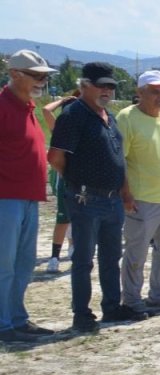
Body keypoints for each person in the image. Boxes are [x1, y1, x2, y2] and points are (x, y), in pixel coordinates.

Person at [48, 62, 143, 332]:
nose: (107, 91)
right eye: (101, 85)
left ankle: (112, 307)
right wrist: (78, 181)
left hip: (113, 200)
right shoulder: (73, 115)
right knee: (83, 260)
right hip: (86, 199)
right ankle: (82, 314)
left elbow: (118, 160)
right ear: (84, 86)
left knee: (111, 257)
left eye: (111, 86)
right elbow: (55, 157)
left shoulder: (108, 117)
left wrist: (125, 193)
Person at [116, 70, 160, 316]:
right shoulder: (126, 118)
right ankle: (132, 300)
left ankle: (159, 296)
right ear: (139, 93)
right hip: (141, 198)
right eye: (155, 92)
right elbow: (120, 160)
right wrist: (125, 194)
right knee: (137, 252)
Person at [0, 49, 56, 343]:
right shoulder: (2, 107)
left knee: (23, 264)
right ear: (14, 75)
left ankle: (16, 318)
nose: (42, 81)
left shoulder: (28, 107)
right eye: (36, 75)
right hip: (5, 198)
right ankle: (3, 323)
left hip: (29, 198)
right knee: (4, 265)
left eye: (45, 76)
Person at [41, 93, 78, 274]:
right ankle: (54, 257)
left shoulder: (83, 128)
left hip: (80, 181)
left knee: (77, 217)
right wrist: (62, 101)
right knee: (63, 218)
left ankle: (73, 247)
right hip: (63, 179)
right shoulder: (60, 129)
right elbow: (46, 110)